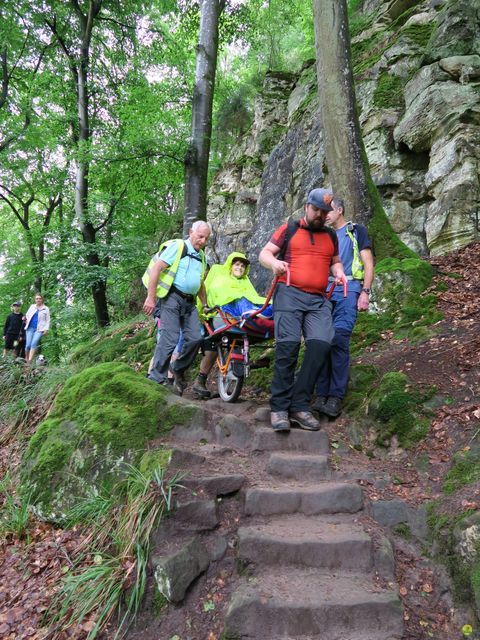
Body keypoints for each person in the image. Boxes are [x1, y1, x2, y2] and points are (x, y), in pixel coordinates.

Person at [259, 188, 347, 432]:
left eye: (324, 211)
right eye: (316, 209)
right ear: (307, 206)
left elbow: (335, 261)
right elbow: (264, 254)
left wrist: (338, 272)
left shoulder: (330, 236)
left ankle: (299, 405)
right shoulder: (289, 229)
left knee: (321, 344)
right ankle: (279, 408)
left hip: (318, 300)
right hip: (289, 294)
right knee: (288, 348)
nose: (319, 215)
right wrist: (275, 263)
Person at [313, 197, 374, 417]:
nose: (324, 214)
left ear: (340, 210)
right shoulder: (323, 235)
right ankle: (321, 395)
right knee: (320, 341)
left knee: (339, 339)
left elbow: (368, 262)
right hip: (324, 293)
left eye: (328, 210)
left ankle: (335, 397)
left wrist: (365, 292)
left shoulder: (356, 231)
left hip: (349, 290)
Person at [192, 251, 273, 399]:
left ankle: (263, 312)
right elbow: (215, 293)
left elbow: (253, 296)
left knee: (258, 302)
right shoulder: (220, 278)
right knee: (211, 350)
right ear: (230, 265)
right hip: (217, 317)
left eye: (243, 266)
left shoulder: (245, 282)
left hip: (237, 321)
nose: (240, 268)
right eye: (237, 264)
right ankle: (200, 380)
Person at [143, 220, 211, 394]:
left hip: (190, 303)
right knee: (170, 338)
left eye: (206, 238)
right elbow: (157, 269)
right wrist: (151, 298)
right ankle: (156, 378)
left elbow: (200, 283)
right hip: (172, 297)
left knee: (196, 338)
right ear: (191, 232)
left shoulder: (202, 256)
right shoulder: (178, 246)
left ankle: (178, 368)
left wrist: (205, 304)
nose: (202, 241)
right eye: (200, 236)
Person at [24, 294, 50, 362]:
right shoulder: (32, 306)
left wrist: (46, 329)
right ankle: (26, 358)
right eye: (37, 298)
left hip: (39, 329)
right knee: (28, 345)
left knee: (34, 343)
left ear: (42, 299)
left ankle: (29, 360)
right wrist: (26, 320)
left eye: (39, 298)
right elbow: (27, 315)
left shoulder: (46, 308)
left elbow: (48, 320)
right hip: (30, 328)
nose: (38, 300)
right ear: (35, 300)